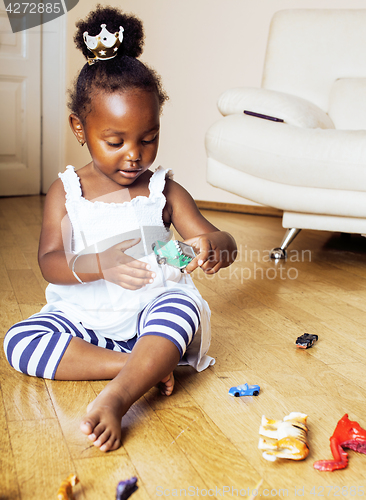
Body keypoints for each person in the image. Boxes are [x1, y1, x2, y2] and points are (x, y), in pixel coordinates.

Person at [3, 5, 237, 452]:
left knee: (180, 309)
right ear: (80, 129)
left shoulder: (163, 190)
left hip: (151, 313)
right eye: (116, 142)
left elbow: (220, 239)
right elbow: (51, 262)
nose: (135, 155)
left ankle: (118, 394)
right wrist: (99, 264)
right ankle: (135, 365)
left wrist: (212, 247)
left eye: (148, 138)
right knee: (20, 342)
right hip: (85, 318)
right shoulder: (66, 191)